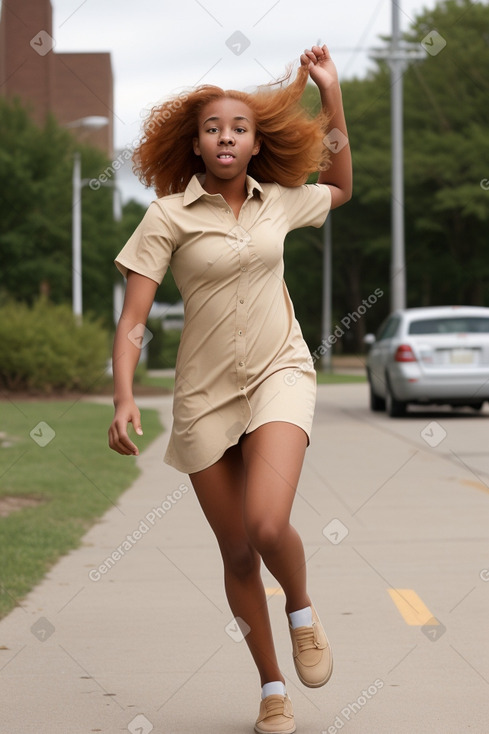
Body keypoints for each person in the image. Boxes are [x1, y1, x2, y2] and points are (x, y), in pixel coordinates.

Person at [108, 44, 352, 734]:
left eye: (238, 128)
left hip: (279, 372)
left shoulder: (280, 203)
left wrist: (330, 98)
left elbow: (338, 185)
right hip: (203, 398)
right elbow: (131, 321)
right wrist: (125, 394)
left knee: (267, 524)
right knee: (239, 552)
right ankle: (272, 688)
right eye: (213, 127)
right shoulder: (166, 217)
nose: (225, 136)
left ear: (254, 143)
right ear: (196, 142)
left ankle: (300, 610)